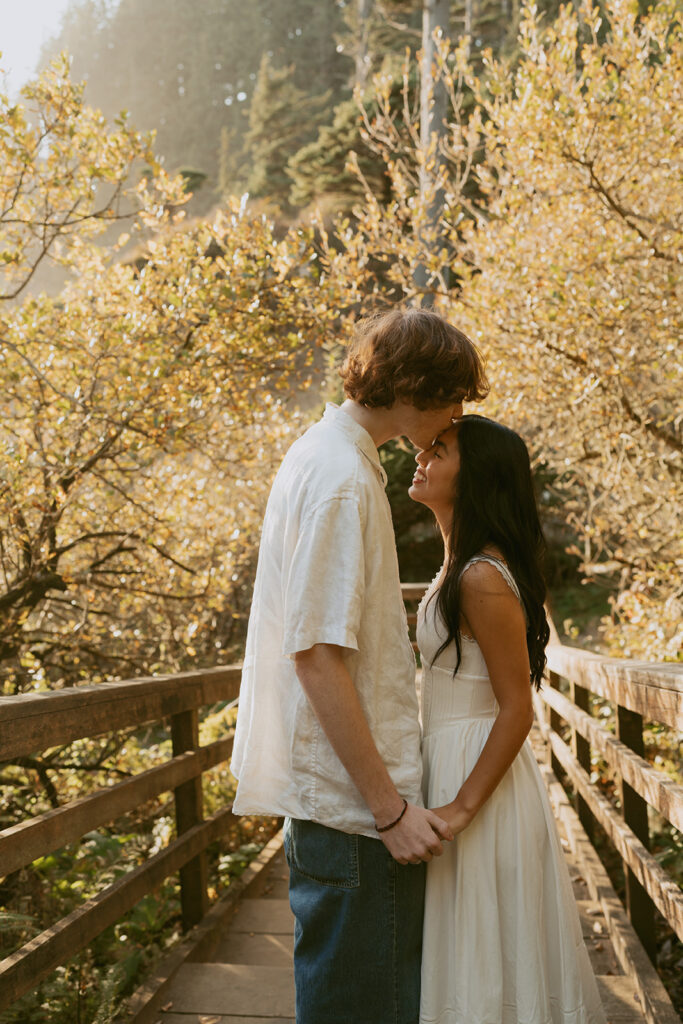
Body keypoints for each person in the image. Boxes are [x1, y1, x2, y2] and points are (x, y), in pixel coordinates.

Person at [231, 307, 488, 1024]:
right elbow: (315, 656)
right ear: (414, 385)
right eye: (453, 395)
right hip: (355, 818)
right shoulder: (342, 478)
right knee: (367, 1008)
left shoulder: (324, 455)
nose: (457, 414)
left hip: (340, 811)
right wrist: (390, 811)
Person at [409, 414, 606, 1024]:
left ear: (476, 478)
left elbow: (517, 707)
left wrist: (462, 807)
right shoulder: (457, 568)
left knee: (484, 946)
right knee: (466, 946)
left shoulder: (480, 578)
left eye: (438, 450)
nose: (421, 456)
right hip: (447, 761)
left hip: (477, 777)